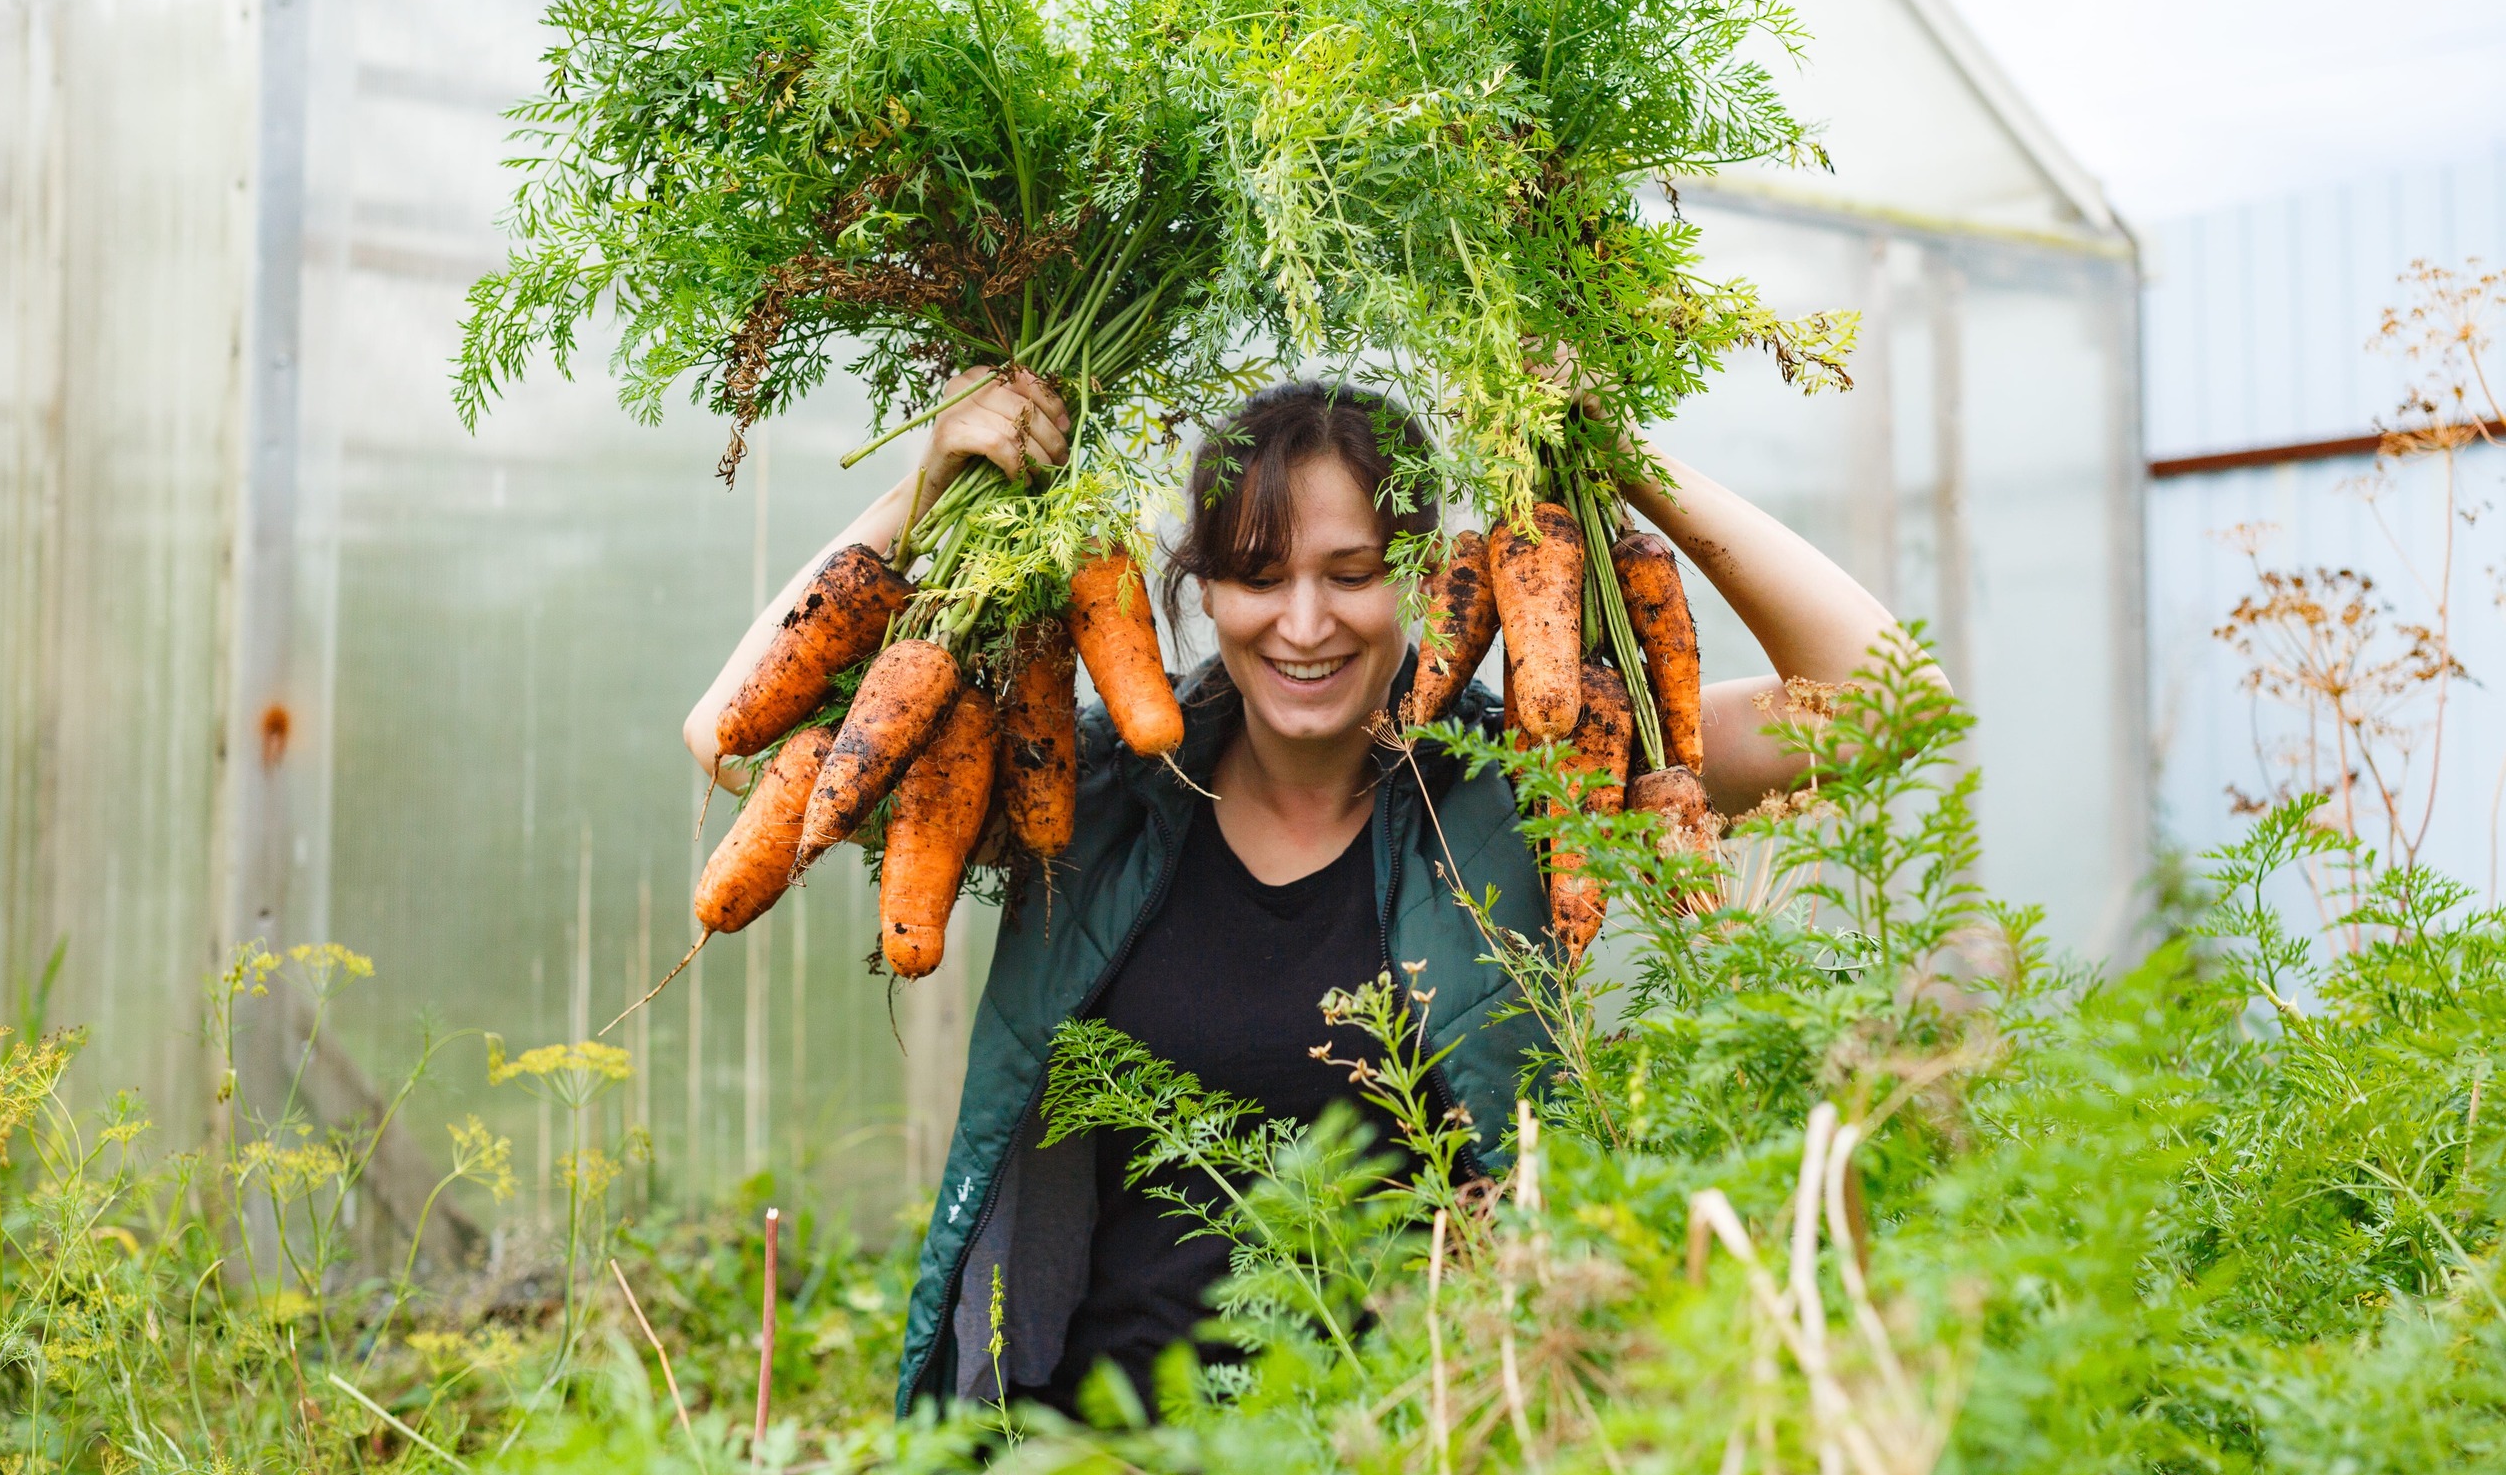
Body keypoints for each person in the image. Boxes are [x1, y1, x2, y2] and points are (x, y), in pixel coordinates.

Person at [682, 369, 1933, 1418]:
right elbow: (734, 743)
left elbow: (1888, 700)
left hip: (1417, 1440)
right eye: (1259, 573)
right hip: (1103, 1452)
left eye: (1353, 570)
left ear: (1433, 581)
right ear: (1201, 587)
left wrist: (1626, 455)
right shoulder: (1096, 793)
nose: (1303, 622)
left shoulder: (1518, 782)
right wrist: (928, 486)